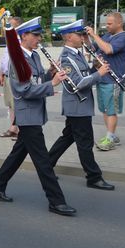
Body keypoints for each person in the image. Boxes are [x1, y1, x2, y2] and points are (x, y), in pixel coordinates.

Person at [0, 17, 77, 216]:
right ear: (24, 35)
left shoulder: (33, 56)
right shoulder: (18, 59)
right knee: (43, 162)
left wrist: (49, 74)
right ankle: (56, 201)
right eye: (35, 35)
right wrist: (52, 83)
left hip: (34, 113)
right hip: (27, 115)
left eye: (39, 35)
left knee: (18, 153)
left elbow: (35, 80)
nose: (39, 38)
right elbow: (24, 90)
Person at [48, 21, 115, 190]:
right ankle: (93, 176)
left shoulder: (78, 54)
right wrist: (99, 74)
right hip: (77, 106)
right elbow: (76, 84)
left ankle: (46, 165)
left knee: (68, 137)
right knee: (85, 143)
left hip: (80, 105)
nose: (83, 37)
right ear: (70, 37)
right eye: (80, 35)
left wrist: (95, 68)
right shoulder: (66, 58)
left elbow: (85, 75)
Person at [85, 12, 125, 151]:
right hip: (101, 77)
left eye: (110, 23)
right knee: (105, 109)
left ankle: (110, 138)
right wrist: (86, 39)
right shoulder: (106, 36)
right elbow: (93, 50)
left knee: (111, 110)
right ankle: (111, 135)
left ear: (120, 23)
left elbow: (108, 49)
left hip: (113, 79)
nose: (107, 25)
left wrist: (94, 35)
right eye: (106, 23)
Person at [0, 16, 23, 140]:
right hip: (8, 75)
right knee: (10, 104)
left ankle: (21, 131)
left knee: (17, 104)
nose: (8, 28)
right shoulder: (10, 39)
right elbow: (5, 58)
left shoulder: (21, 41)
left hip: (15, 77)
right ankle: (13, 129)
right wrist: (1, 73)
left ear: (18, 26)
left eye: (11, 25)